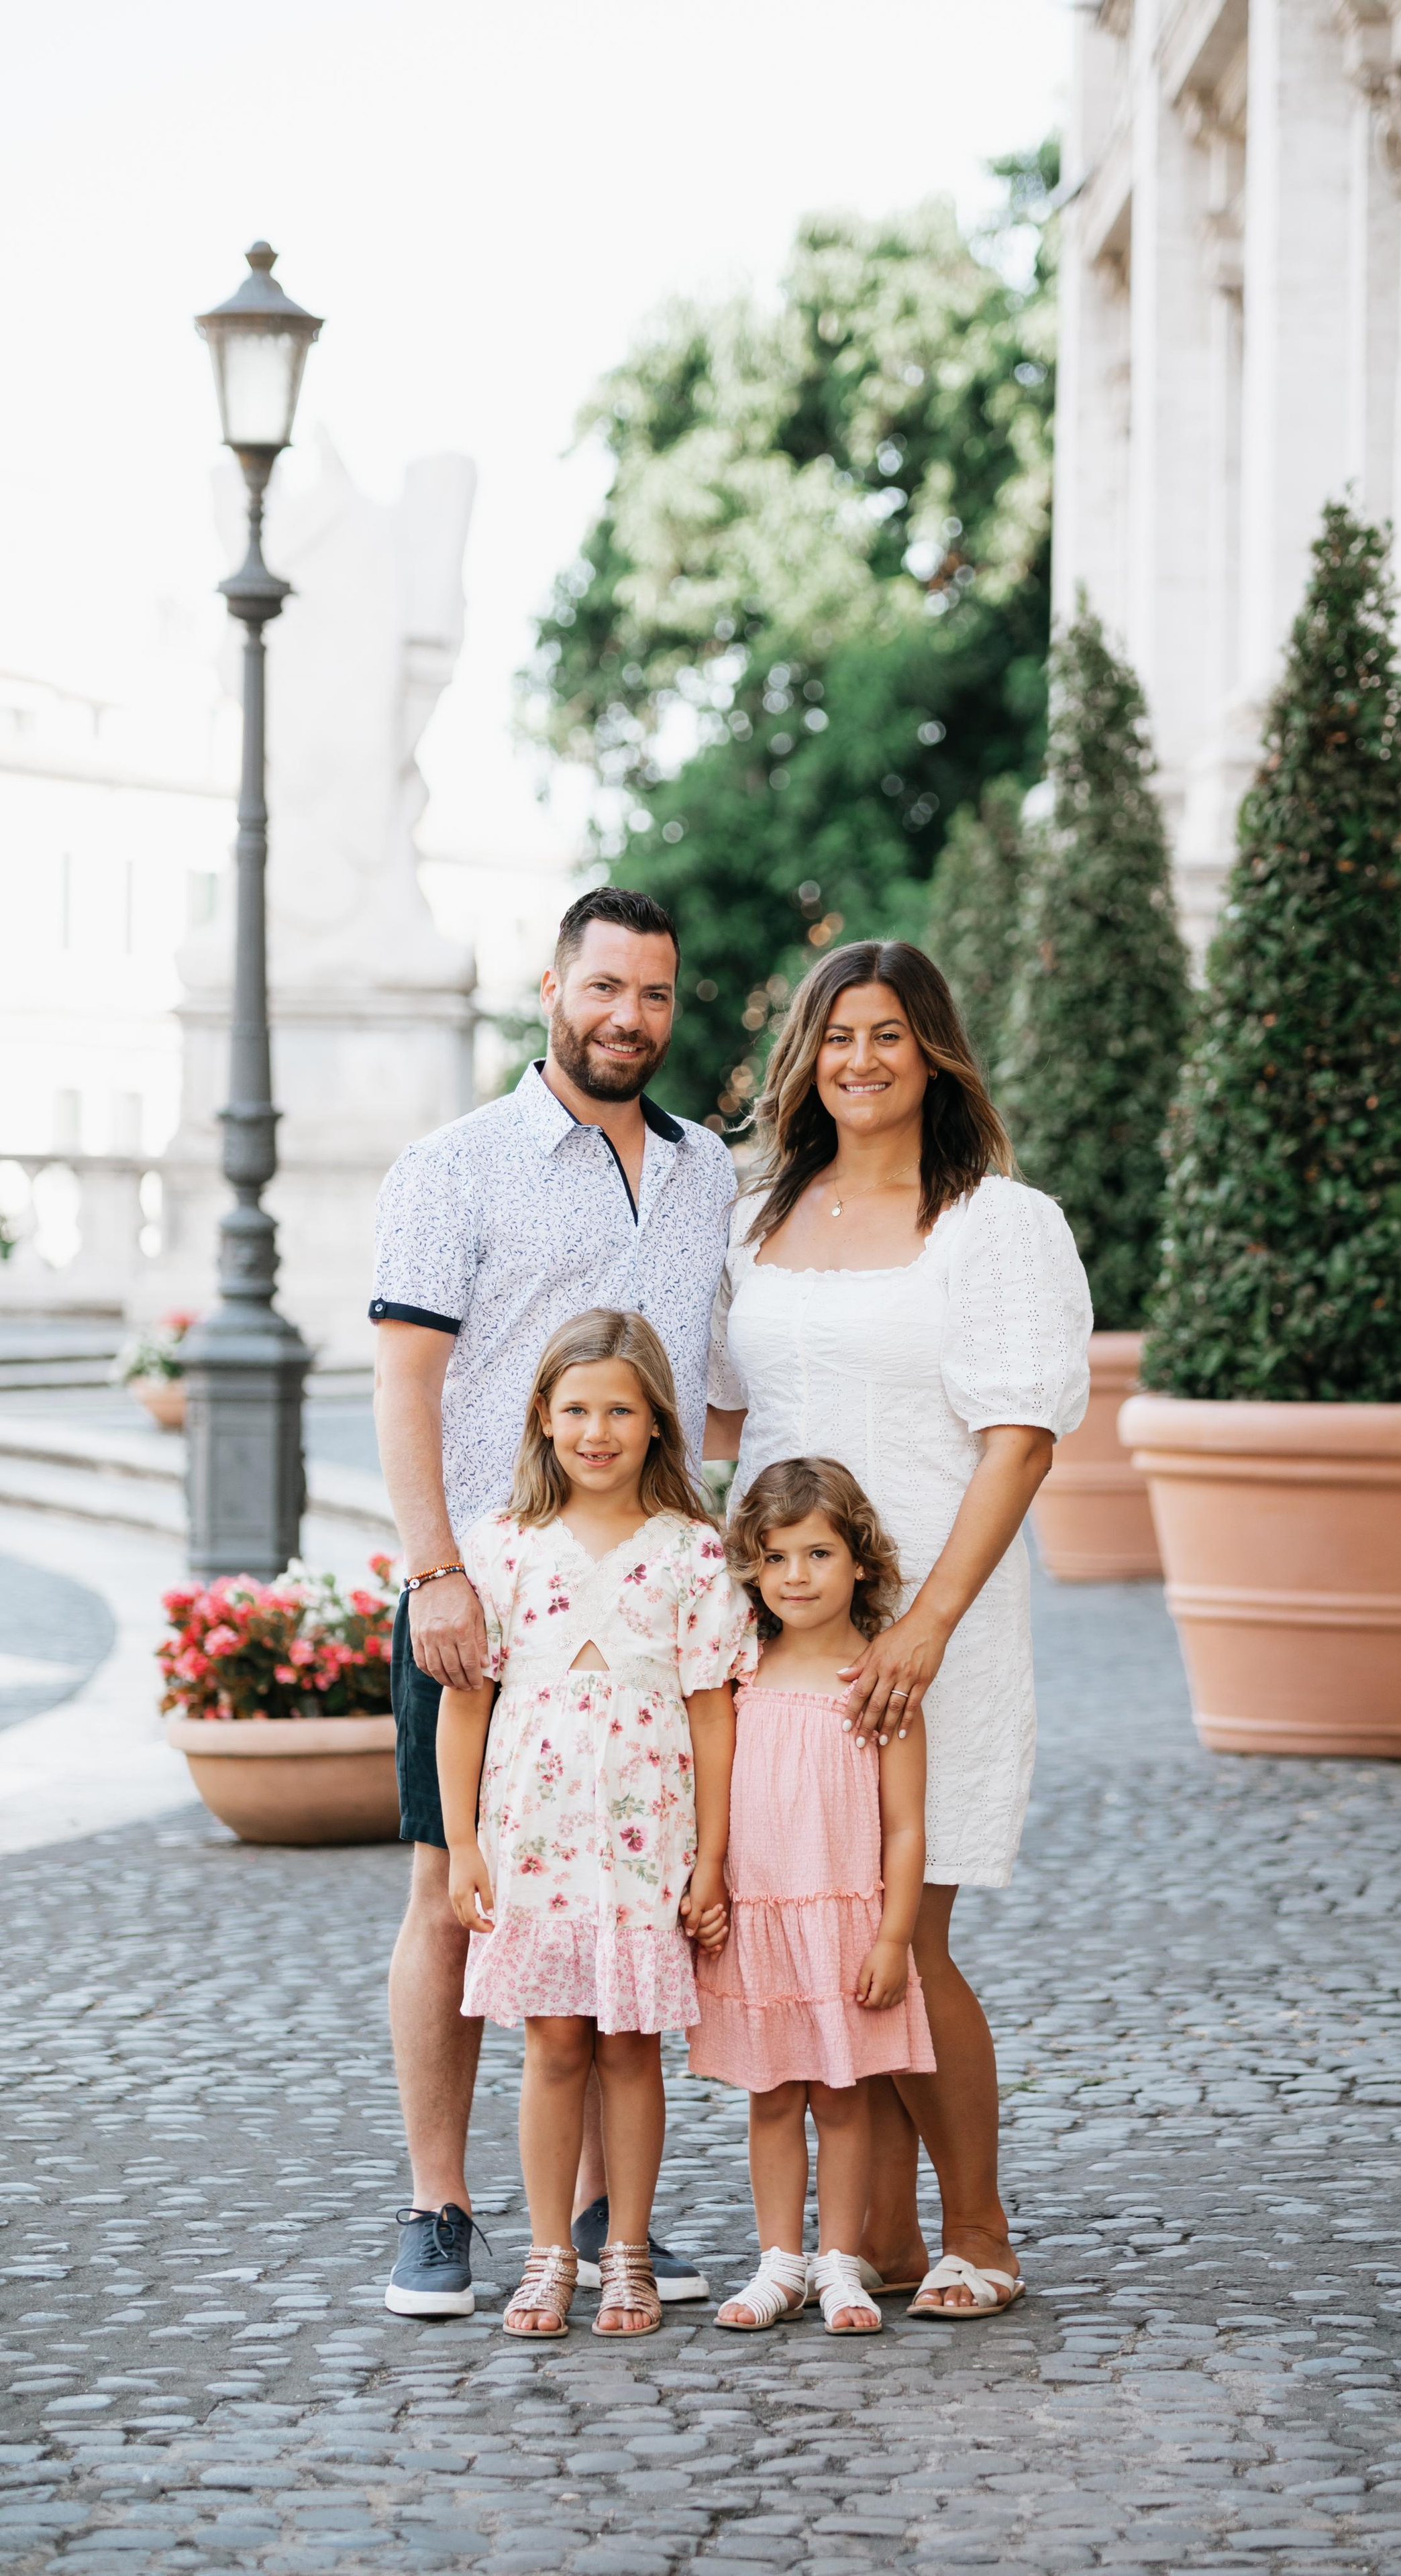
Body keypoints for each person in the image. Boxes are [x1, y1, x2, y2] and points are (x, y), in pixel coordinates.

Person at [704, 940, 1091, 2318]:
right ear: (802, 1059)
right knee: (812, 1931)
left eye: (885, 1034)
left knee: (902, 1933)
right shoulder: (758, 1216)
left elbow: (1021, 1436)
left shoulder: (995, 1223)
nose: (856, 1060)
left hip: (935, 1621)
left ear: (933, 1051)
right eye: (832, 1036)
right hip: (785, 1633)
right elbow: (725, 1426)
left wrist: (924, 1624)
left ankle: (976, 2227)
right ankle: (875, 2239)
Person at [370, 887, 735, 2320]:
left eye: (651, 994)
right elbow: (404, 1384)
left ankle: (596, 2208)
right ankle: (441, 2205)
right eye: (602, 989)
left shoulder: (708, 1172)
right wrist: (434, 1574)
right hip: (487, 1584)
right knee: (451, 1892)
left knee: (625, 1900)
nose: (625, 1018)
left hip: (647, 1597)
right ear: (549, 988)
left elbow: (712, 1384)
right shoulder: (452, 1166)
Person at [437, 1309, 753, 2338]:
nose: (597, 1430)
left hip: (647, 1838)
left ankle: (627, 2252)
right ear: (542, 1417)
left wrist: (711, 1861)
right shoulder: (502, 1544)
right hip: (533, 1835)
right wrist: (463, 1843)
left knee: (630, 2050)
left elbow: (712, 1708)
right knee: (554, 2045)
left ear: (660, 1422)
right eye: (576, 1408)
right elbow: (468, 1702)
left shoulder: (693, 1553)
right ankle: (549, 2252)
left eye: (621, 1408)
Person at [690, 1455, 934, 2337]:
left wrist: (894, 1937)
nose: (798, 1575)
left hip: (844, 1924)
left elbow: (906, 1826)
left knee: (843, 2097)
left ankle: (840, 2263)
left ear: (859, 1561)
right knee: (770, 2095)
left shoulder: (875, 1682)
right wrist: (706, 1876)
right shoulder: (740, 1674)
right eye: (779, 1556)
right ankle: (777, 2262)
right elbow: (709, 1792)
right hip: (758, 1919)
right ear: (753, 1566)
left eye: (819, 1554)